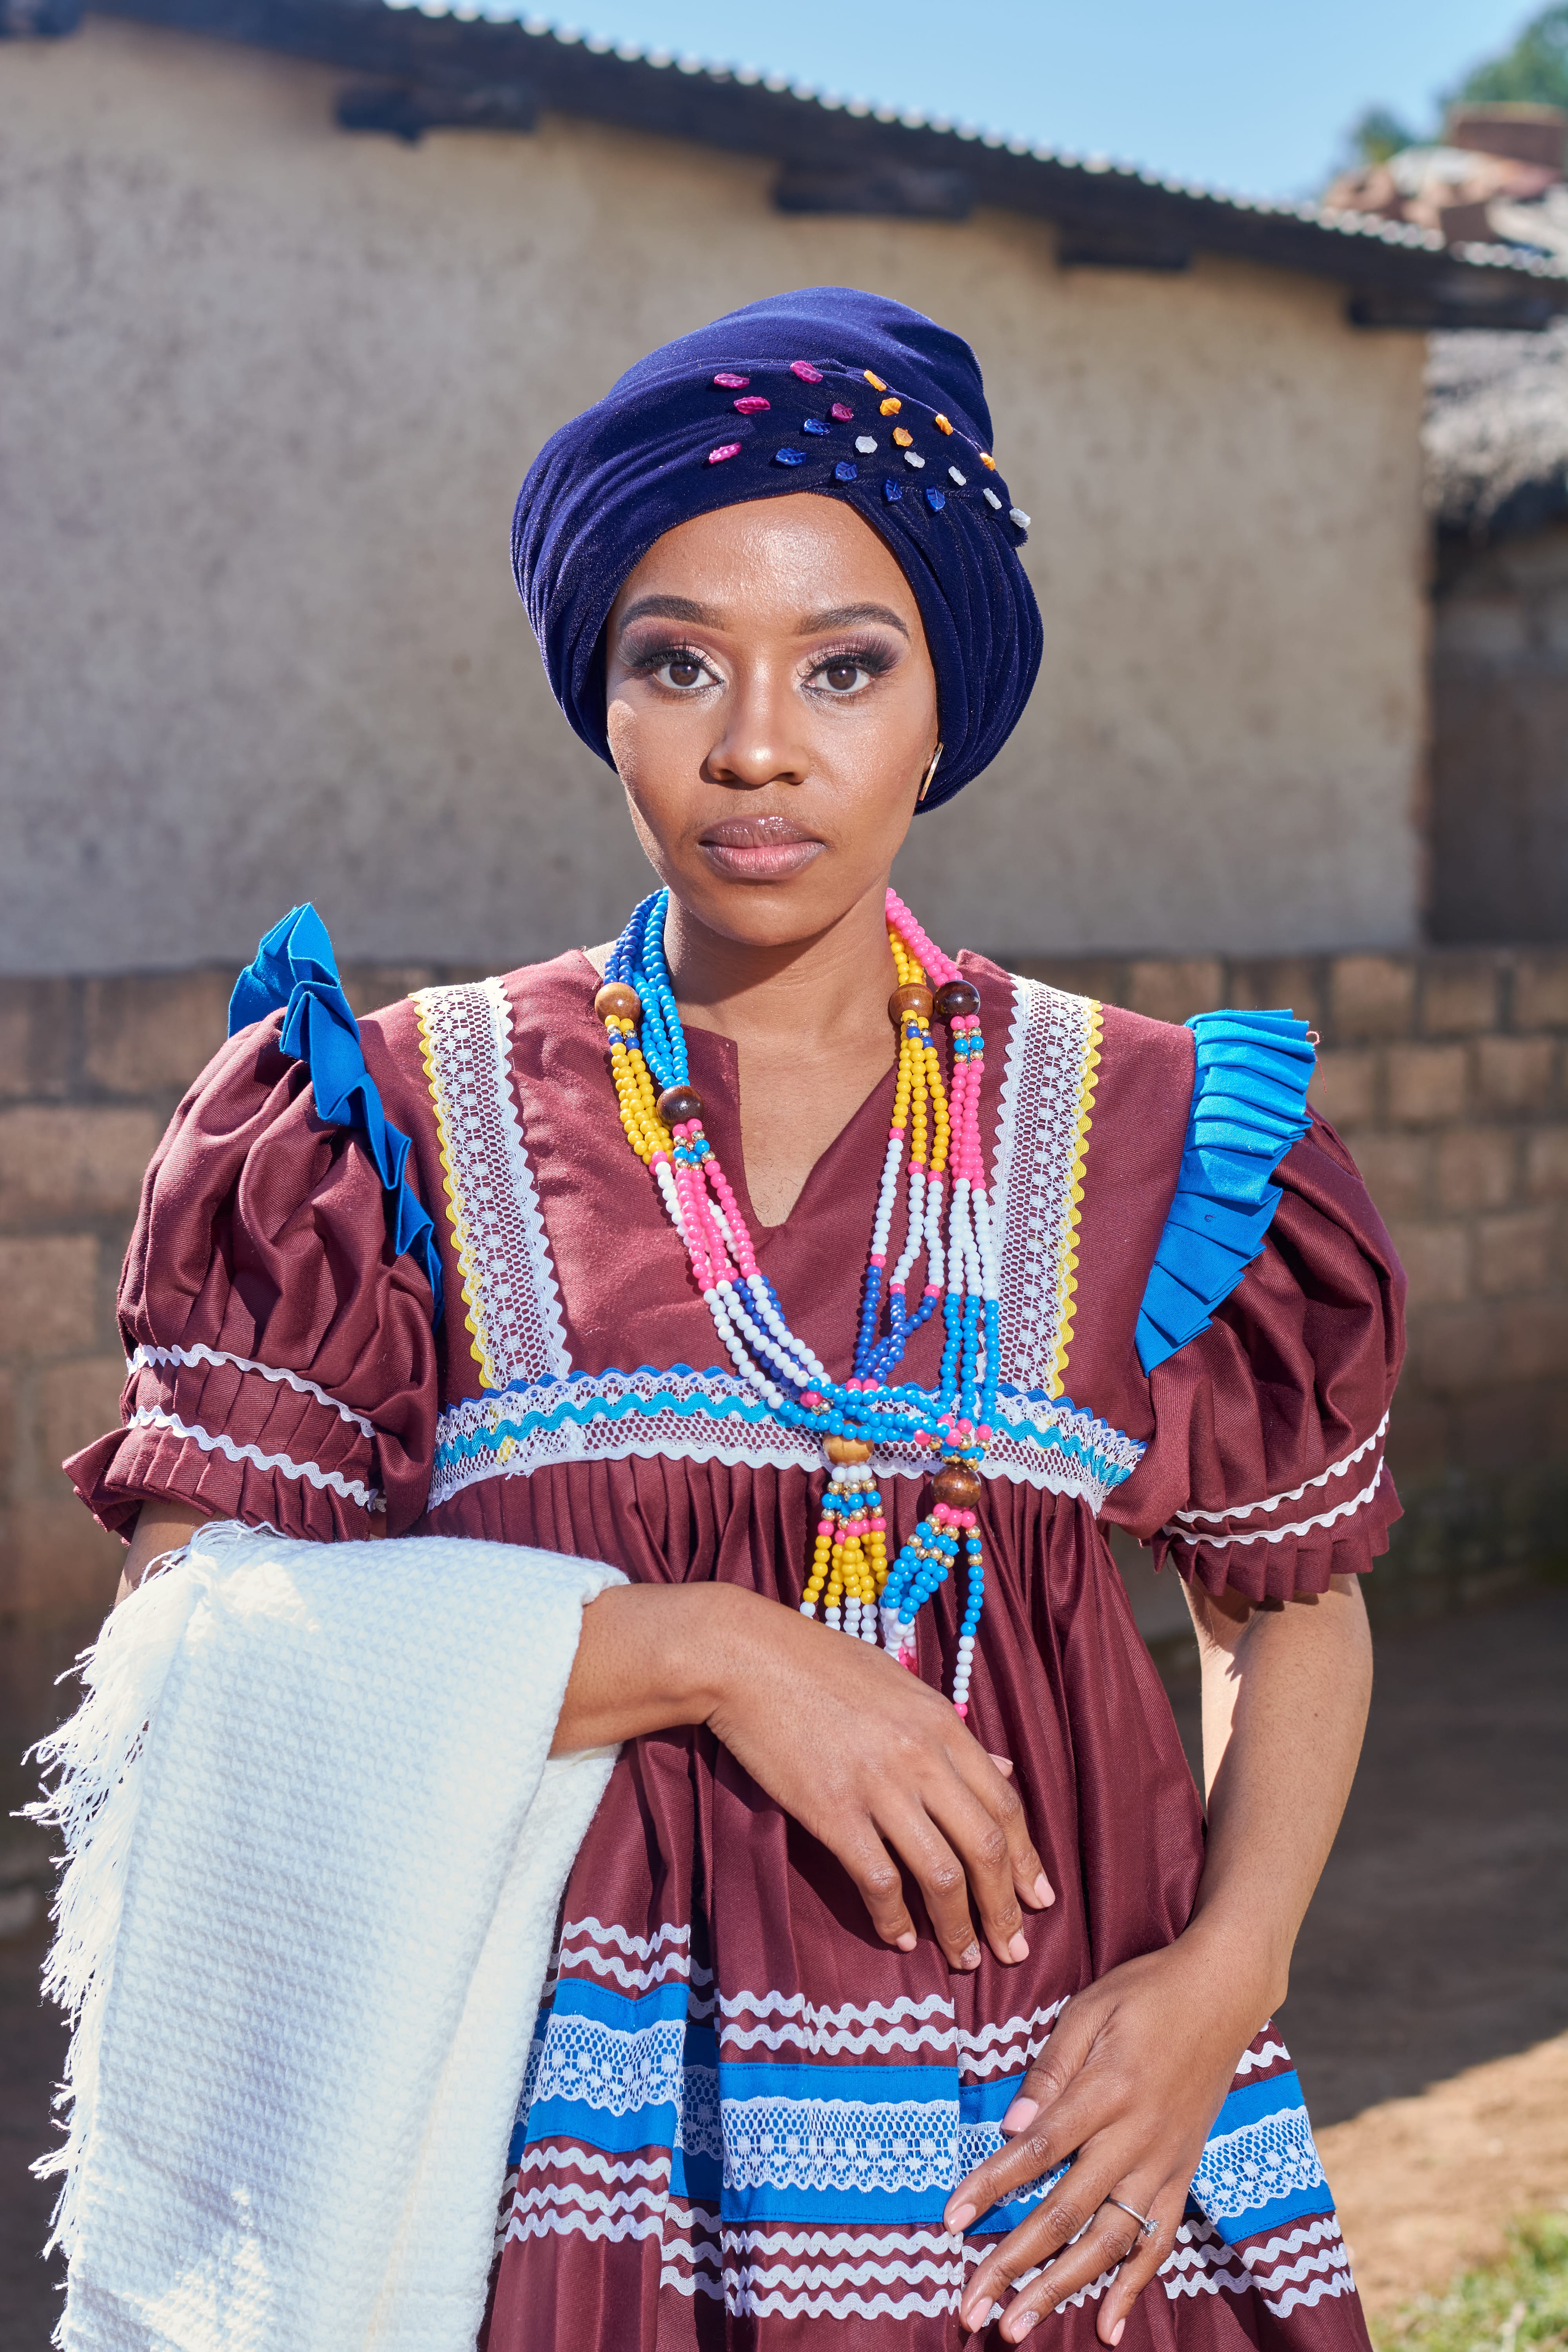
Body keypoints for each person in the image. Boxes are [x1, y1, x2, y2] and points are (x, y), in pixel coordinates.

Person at [68, 288, 1403, 2348]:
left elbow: (1288, 1600)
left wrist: (1228, 1977)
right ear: (598, 697)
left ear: (943, 703)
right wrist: (702, 1654)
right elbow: (196, 1640)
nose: (757, 745)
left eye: (845, 669)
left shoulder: (1148, 1129)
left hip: (1057, 2159)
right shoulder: (384, 1122)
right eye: (674, 662)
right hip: (558, 2192)